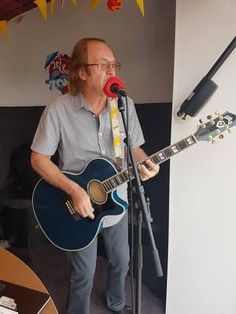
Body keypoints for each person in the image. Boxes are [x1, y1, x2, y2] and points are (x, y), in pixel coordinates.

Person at [30, 38, 159, 314]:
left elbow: (133, 147)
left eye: (113, 64)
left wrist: (146, 162)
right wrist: (74, 190)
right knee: (83, 273)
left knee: (122, 261)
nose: (111, 70)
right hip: (77, 204)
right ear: (81, 72)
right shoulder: (58, 110)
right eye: (102, 65)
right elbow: (38, 158)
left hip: (117, 202)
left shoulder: (124, 106)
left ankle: (115, 303)